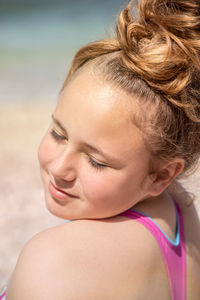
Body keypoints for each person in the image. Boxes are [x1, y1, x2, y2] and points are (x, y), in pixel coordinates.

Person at [2, 0, 200, 299]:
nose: (59, 169)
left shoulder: (53, 259)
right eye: (58, 133)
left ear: (161, 176)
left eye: (96, 161)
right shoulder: (179, 209)